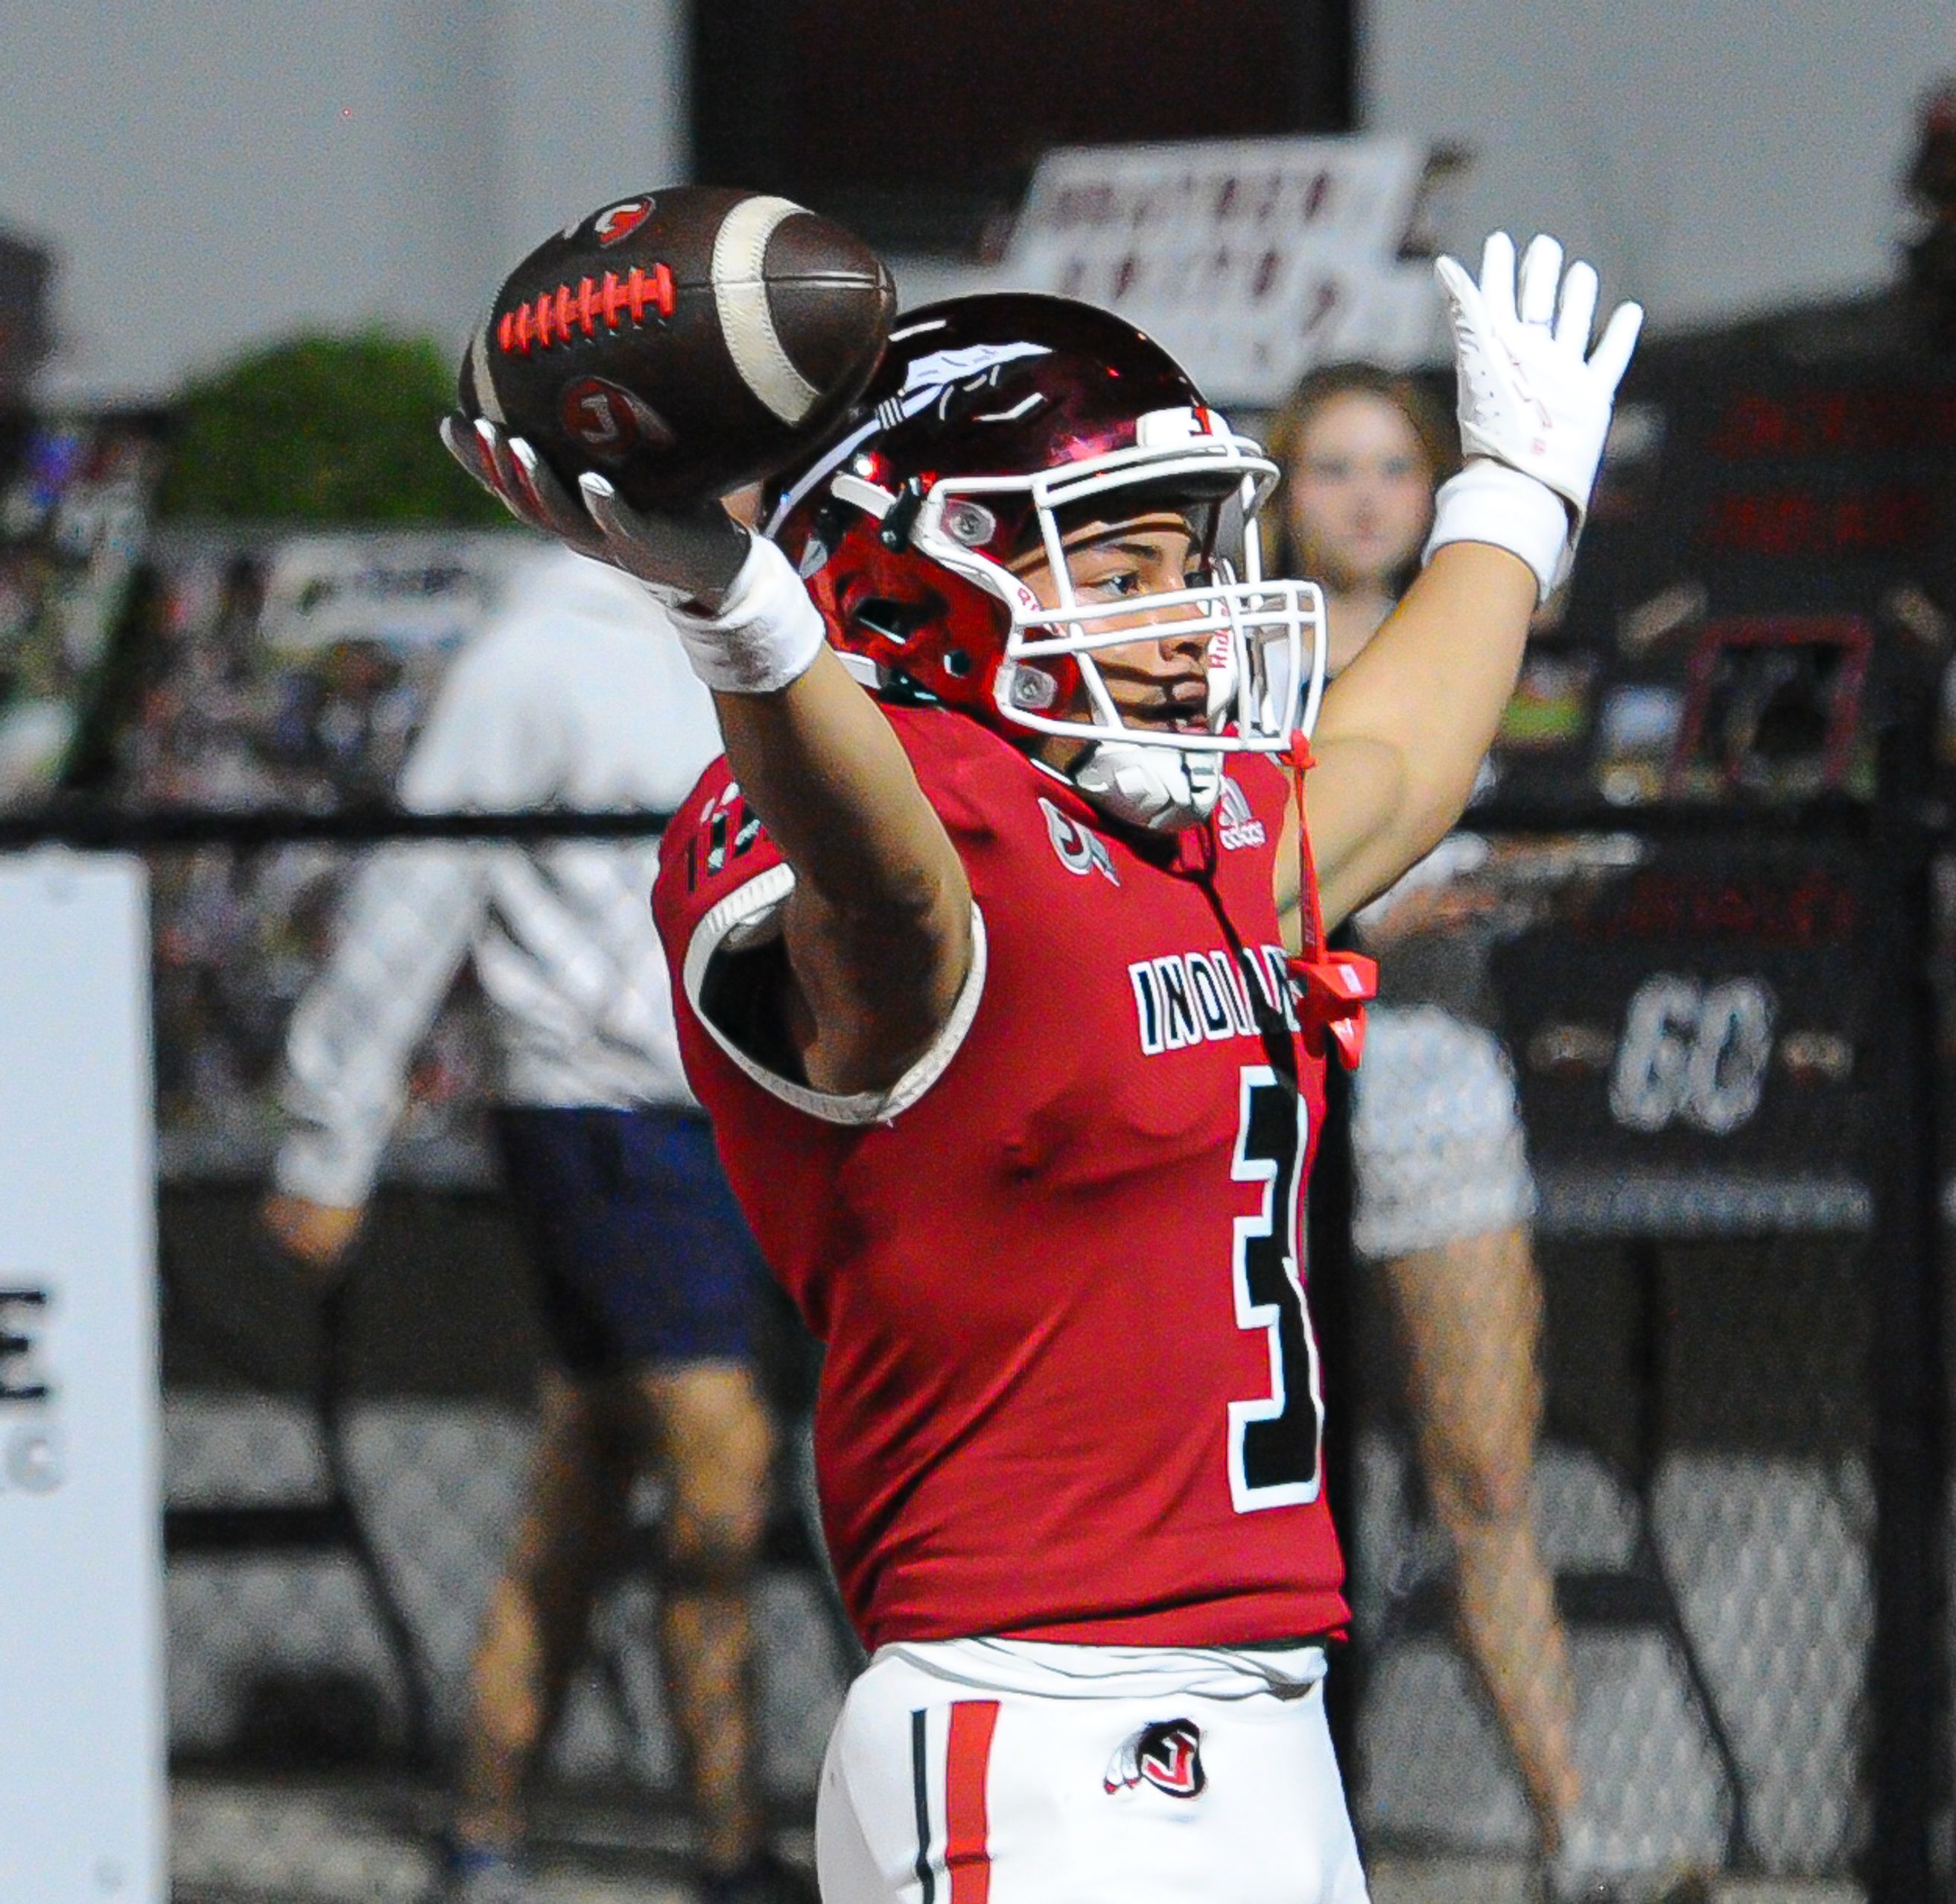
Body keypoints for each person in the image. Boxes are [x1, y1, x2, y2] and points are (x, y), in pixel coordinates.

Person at [442, 231, 1639, 1902]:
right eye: (1125, 563)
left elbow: (1393, 758)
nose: (1188, 617)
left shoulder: (1180, 823)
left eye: (1194, 553)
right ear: (919, 570)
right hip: (1042, 1716)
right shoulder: (892, 829)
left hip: (1272, 1713)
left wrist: (1511, 500)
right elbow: (893, 898)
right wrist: (751, 631)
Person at [256, 547, 790, 1903]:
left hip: (760, 1118)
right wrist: (332, 1140)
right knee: (720, 1463)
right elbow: (414, 893)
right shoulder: (543, 653)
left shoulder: (792, 619)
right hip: (605, 1114)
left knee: (590, 1465)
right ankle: (733, 1849)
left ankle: (486, 1824)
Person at [1263, 364, 1588, 1879]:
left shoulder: (1486, 638)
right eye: (1332, 466)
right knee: (1288, 1499)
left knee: (1490, 1480)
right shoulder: (1238, 657)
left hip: (1443, 1086)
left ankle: (1569, 1826)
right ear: (1281, 487)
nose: (1368, 495)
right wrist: (1370, 908)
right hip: (1280, 1113)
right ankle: (1298, 1826)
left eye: (1397, 465)